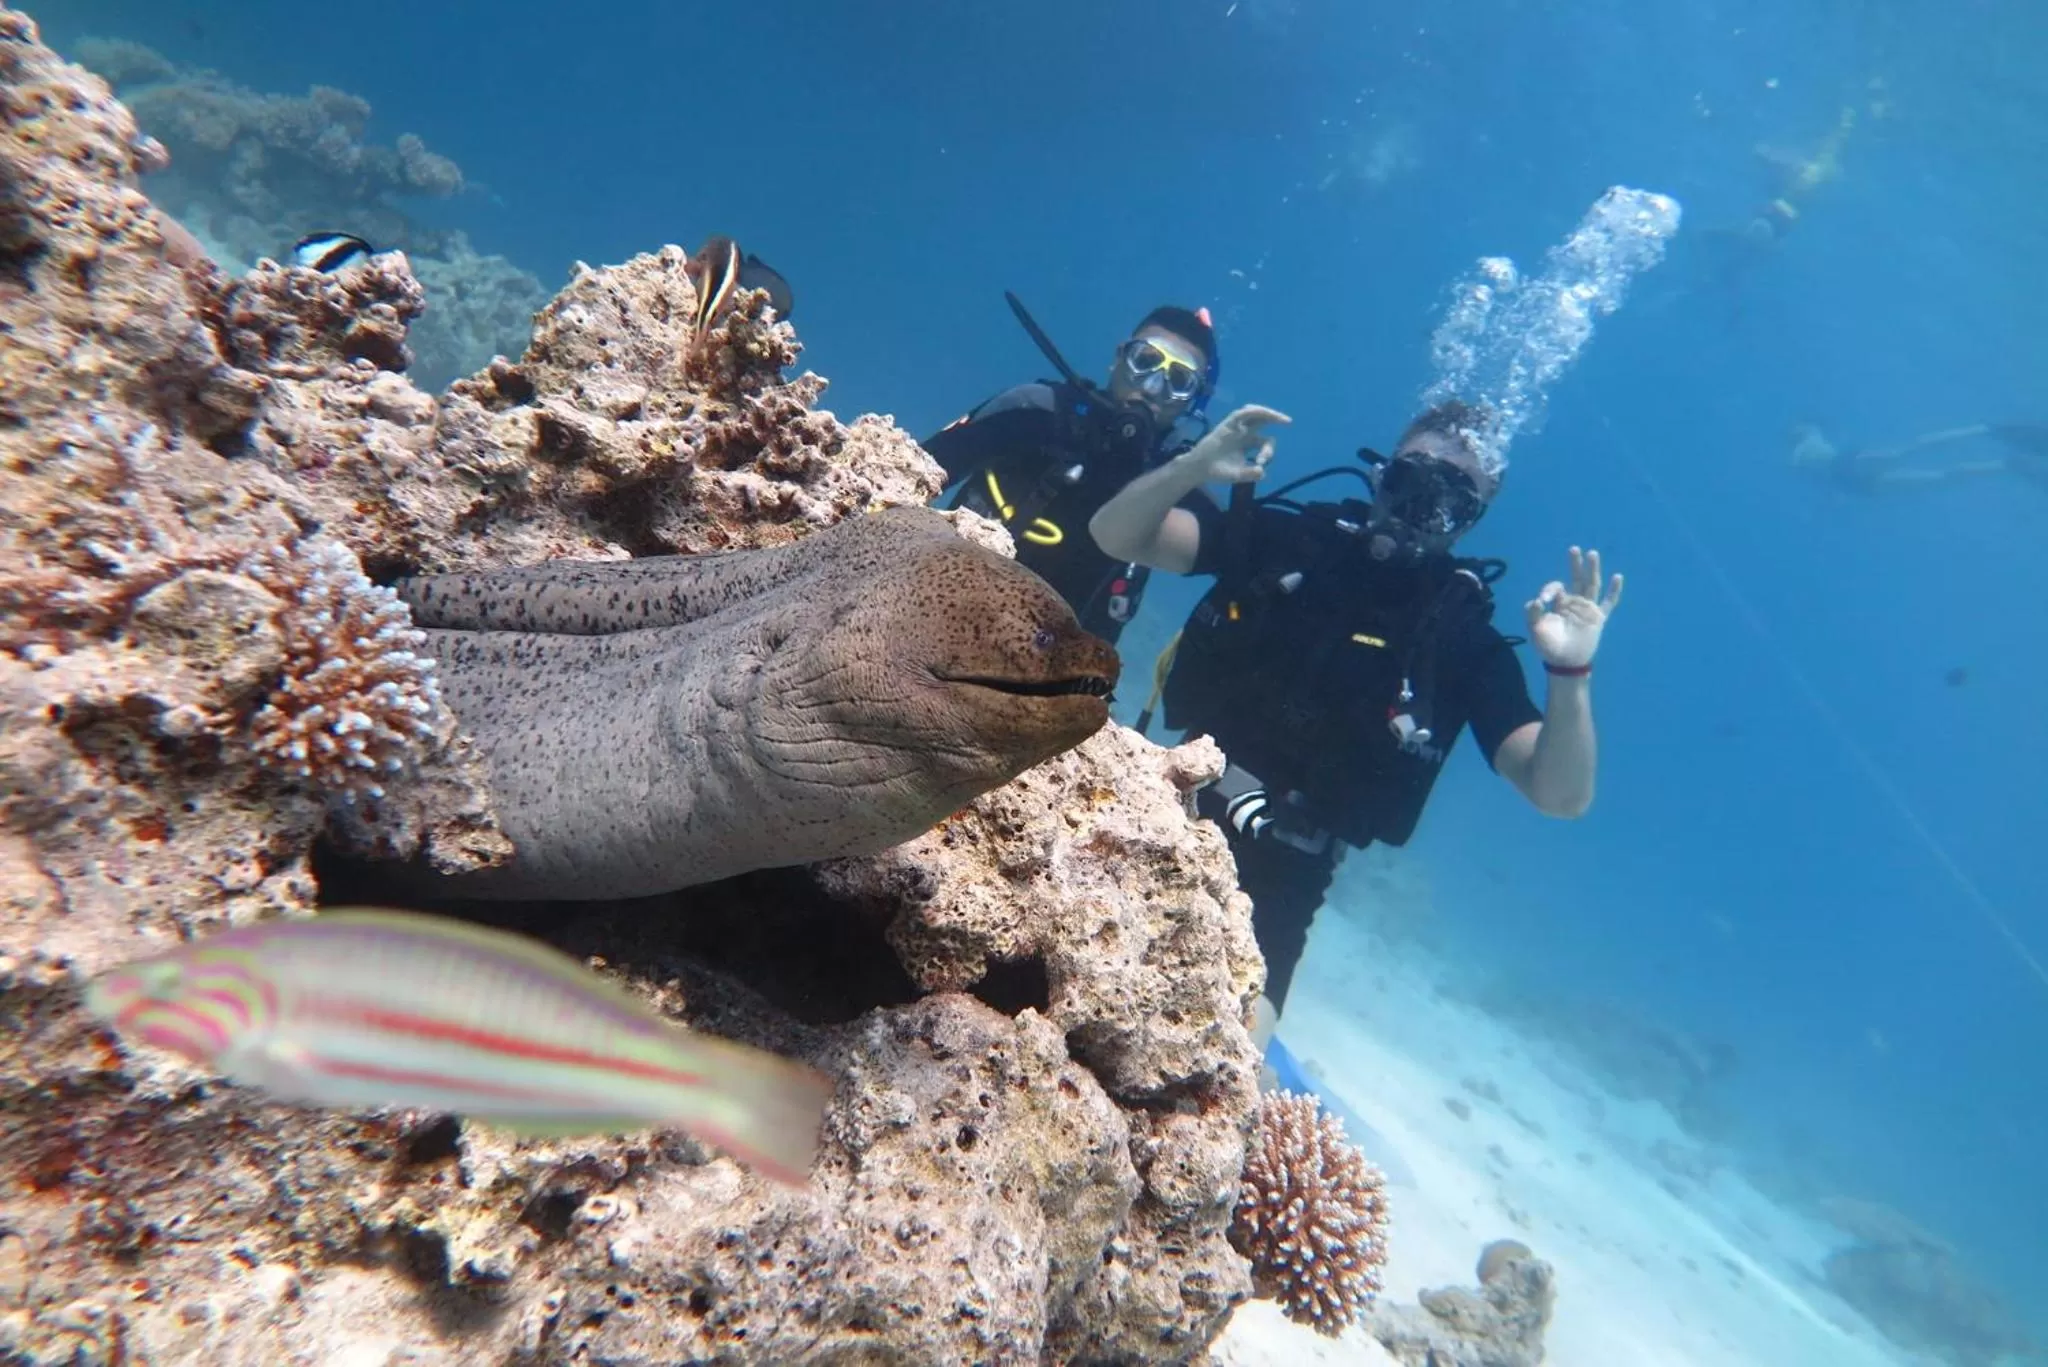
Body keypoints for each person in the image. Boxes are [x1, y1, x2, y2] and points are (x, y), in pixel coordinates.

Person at [1089, 400, 1624, 1010]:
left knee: (1224, 1072)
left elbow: (1560, 794)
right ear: (1381, 471)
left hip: (1284, 880)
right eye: (1412, 475)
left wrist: (1571, 673)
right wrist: (1190, 468)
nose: (1422, 503)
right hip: (1165, 805)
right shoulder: (1286, 540)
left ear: (1471, 519)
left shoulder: (1462, 641)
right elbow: (1116, 534)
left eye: (1454, 495)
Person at [925, 299, 1221, 643]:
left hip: (1054, 684)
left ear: (1193, 400)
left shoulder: (1178, 484)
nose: (1153, 387)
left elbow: (1226, 551)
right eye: (1145, 361)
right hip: (934, 619)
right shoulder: (1034, 410)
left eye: (1180, 380)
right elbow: (915, 468)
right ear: (1118, 357)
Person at [1789, 420, 2048, 494]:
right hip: (1848, 469)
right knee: (1912, 454)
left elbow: (1816, 480)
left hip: (1850, 480)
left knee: (1937, 476)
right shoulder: (1810, 439)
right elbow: (1808, 427)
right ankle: (2004, 462)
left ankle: (2004, 464)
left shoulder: (1802, 452)